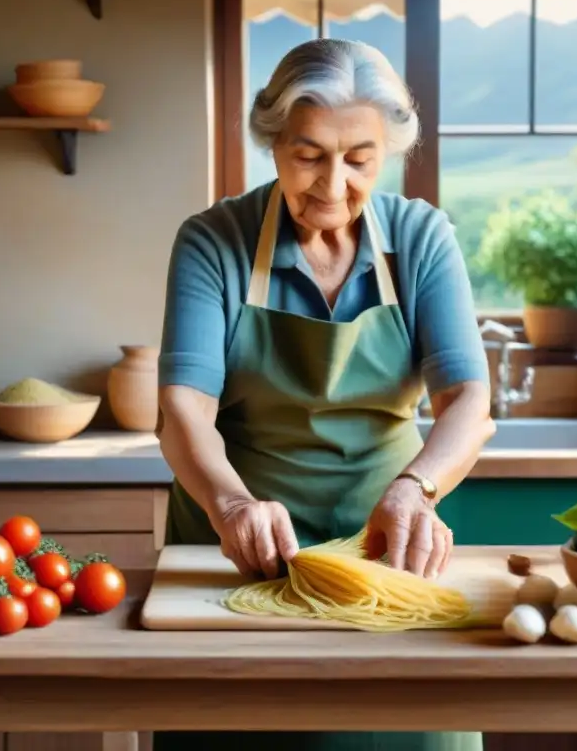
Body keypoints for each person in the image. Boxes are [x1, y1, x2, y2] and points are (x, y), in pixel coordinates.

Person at [157, 38, 494, 751]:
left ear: (389, 152)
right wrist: (233, 506)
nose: (333, 184)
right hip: (240, 555)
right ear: (273, 141)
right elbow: (183, 408)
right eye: (309, 154)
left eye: (359, 158)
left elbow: (467, 396)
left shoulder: (423, 239)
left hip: (388, 551)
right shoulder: (213, 242)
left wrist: (416, 491)